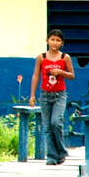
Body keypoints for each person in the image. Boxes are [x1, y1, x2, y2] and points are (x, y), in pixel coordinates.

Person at [30, 29, 75, 165]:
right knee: (47, 127)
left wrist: (61, 72)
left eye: (58, 40)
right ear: (47, 41)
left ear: (62, 43)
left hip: (59, 95)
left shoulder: (64, 58)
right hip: (45, 95)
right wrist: (32, 95)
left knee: (56, 122)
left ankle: (61, 151)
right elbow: (36, 76)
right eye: (52, 39)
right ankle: (52, 156)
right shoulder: (41, 57)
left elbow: (72, 75)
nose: (54, 43)